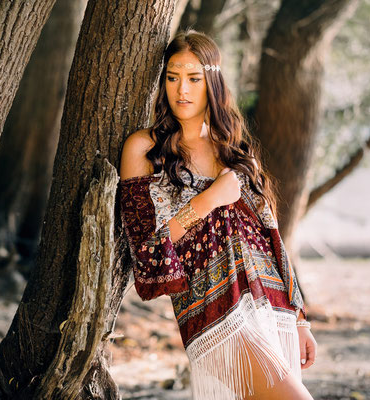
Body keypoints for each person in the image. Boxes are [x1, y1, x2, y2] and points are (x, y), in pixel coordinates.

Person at [118, 29, 317, 400]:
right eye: (173, 77)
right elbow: (146, 251)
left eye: (194, 79)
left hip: (269, 304)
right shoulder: (144, 149)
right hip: (214, 314)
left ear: (212, 82)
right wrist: (209, 200)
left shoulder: (236, 152)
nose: (182, 90)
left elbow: (272, 239)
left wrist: (300, 316)